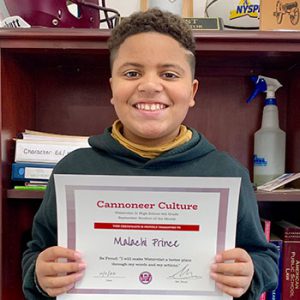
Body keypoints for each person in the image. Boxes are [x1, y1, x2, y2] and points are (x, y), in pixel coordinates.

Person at [22, 8, 279, 300]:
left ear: (192, 91)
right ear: (112, 88)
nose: (149, 86)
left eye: (169, 74)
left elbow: (264, 256)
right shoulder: (73, 170)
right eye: (132, 73)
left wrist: (250, 274)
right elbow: (36, 252)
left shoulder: (227, 173)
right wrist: (39, 274)